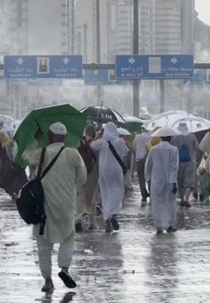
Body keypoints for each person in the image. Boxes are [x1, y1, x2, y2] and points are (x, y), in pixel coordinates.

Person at [22, 123, 87, 293]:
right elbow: (82, 178)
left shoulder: (42, 153)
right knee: (68, 237)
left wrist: (35, 139)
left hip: (45, 204)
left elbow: (25, 156)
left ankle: (47, 280)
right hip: (66, 204)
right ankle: (64, 269)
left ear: (50, 136)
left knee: (43, 242)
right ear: (65, 137)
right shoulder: (73, 153)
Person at [91, 122, 129, 232]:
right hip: (116, 171)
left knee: (105, 193)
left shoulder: (101, 142)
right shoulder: (120, 142)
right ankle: (113, 215)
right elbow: (126, 152)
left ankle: (107, 220)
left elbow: (91, 146)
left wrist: (99, 134)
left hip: (104, 171)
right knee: (116, 192)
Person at [145, 127, 179, 234]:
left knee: (157, 202)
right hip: (170, 181)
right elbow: (174, 167)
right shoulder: (174, 150)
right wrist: (173, 182)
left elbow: (148, 165)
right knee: (170, 203)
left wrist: (148, 179)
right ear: (170, 138)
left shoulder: (153, 149)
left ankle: (159, 225)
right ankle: (170, 224)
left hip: (156, 180)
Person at [171, 123, 201, 208]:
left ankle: (181, 200)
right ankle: (187, 199)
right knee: (189, 182)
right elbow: (197, 148)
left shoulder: (175, 137)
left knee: (180, 181)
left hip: (178, 162)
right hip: (190, 162)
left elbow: (172, 149)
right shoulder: (192, 136)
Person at [76, 124, 99, 230]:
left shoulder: (78, 142)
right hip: (90, 174)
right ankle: (92, 223)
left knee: (80, 198)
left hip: (79, 173)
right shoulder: (95, 143)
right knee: (91, 199)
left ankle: (78, 219)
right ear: (93, 132)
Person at [133, 128, 152, 204]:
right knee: (149, 177)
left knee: (141, 178)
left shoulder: (137, 136)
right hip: (148, 158)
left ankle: (144, 195)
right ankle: (151, 193)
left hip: (139, 158)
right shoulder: (150, 137)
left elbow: (134, 147)